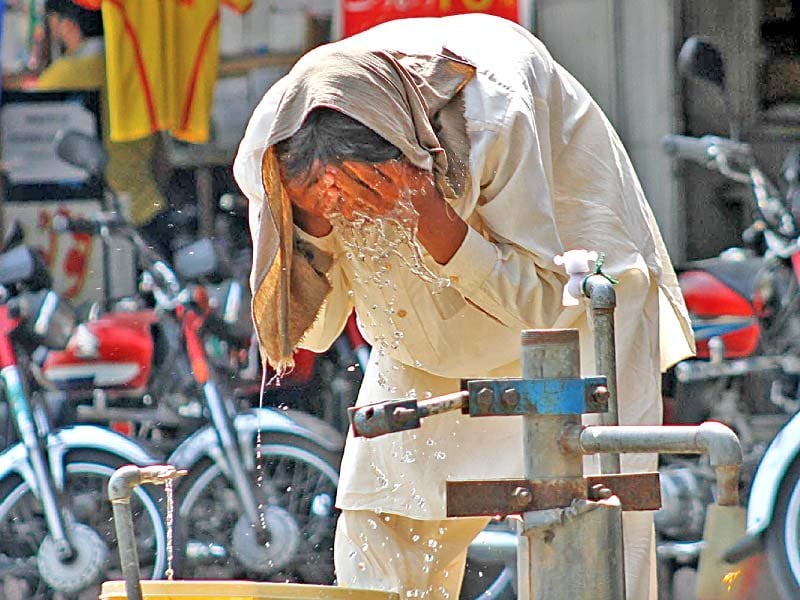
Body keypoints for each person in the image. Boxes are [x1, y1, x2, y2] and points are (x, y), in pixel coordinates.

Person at [233, 13, 695, 600]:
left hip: (575, 316)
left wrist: (435, 221)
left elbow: (543, 303)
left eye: (364, 196)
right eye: (324, 203)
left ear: (405, 160)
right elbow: (311, 333)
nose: (347, 213)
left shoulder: (495, 118)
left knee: (587, 540)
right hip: (421, 345)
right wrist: (317, 232)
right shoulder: (273, 160)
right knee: (379, 536)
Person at [36, 0, 171, 257]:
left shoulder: (57, 78)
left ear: (67, 26)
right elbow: (161, 154)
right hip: (146, 209)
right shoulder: (137, 68)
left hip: (88, 222)